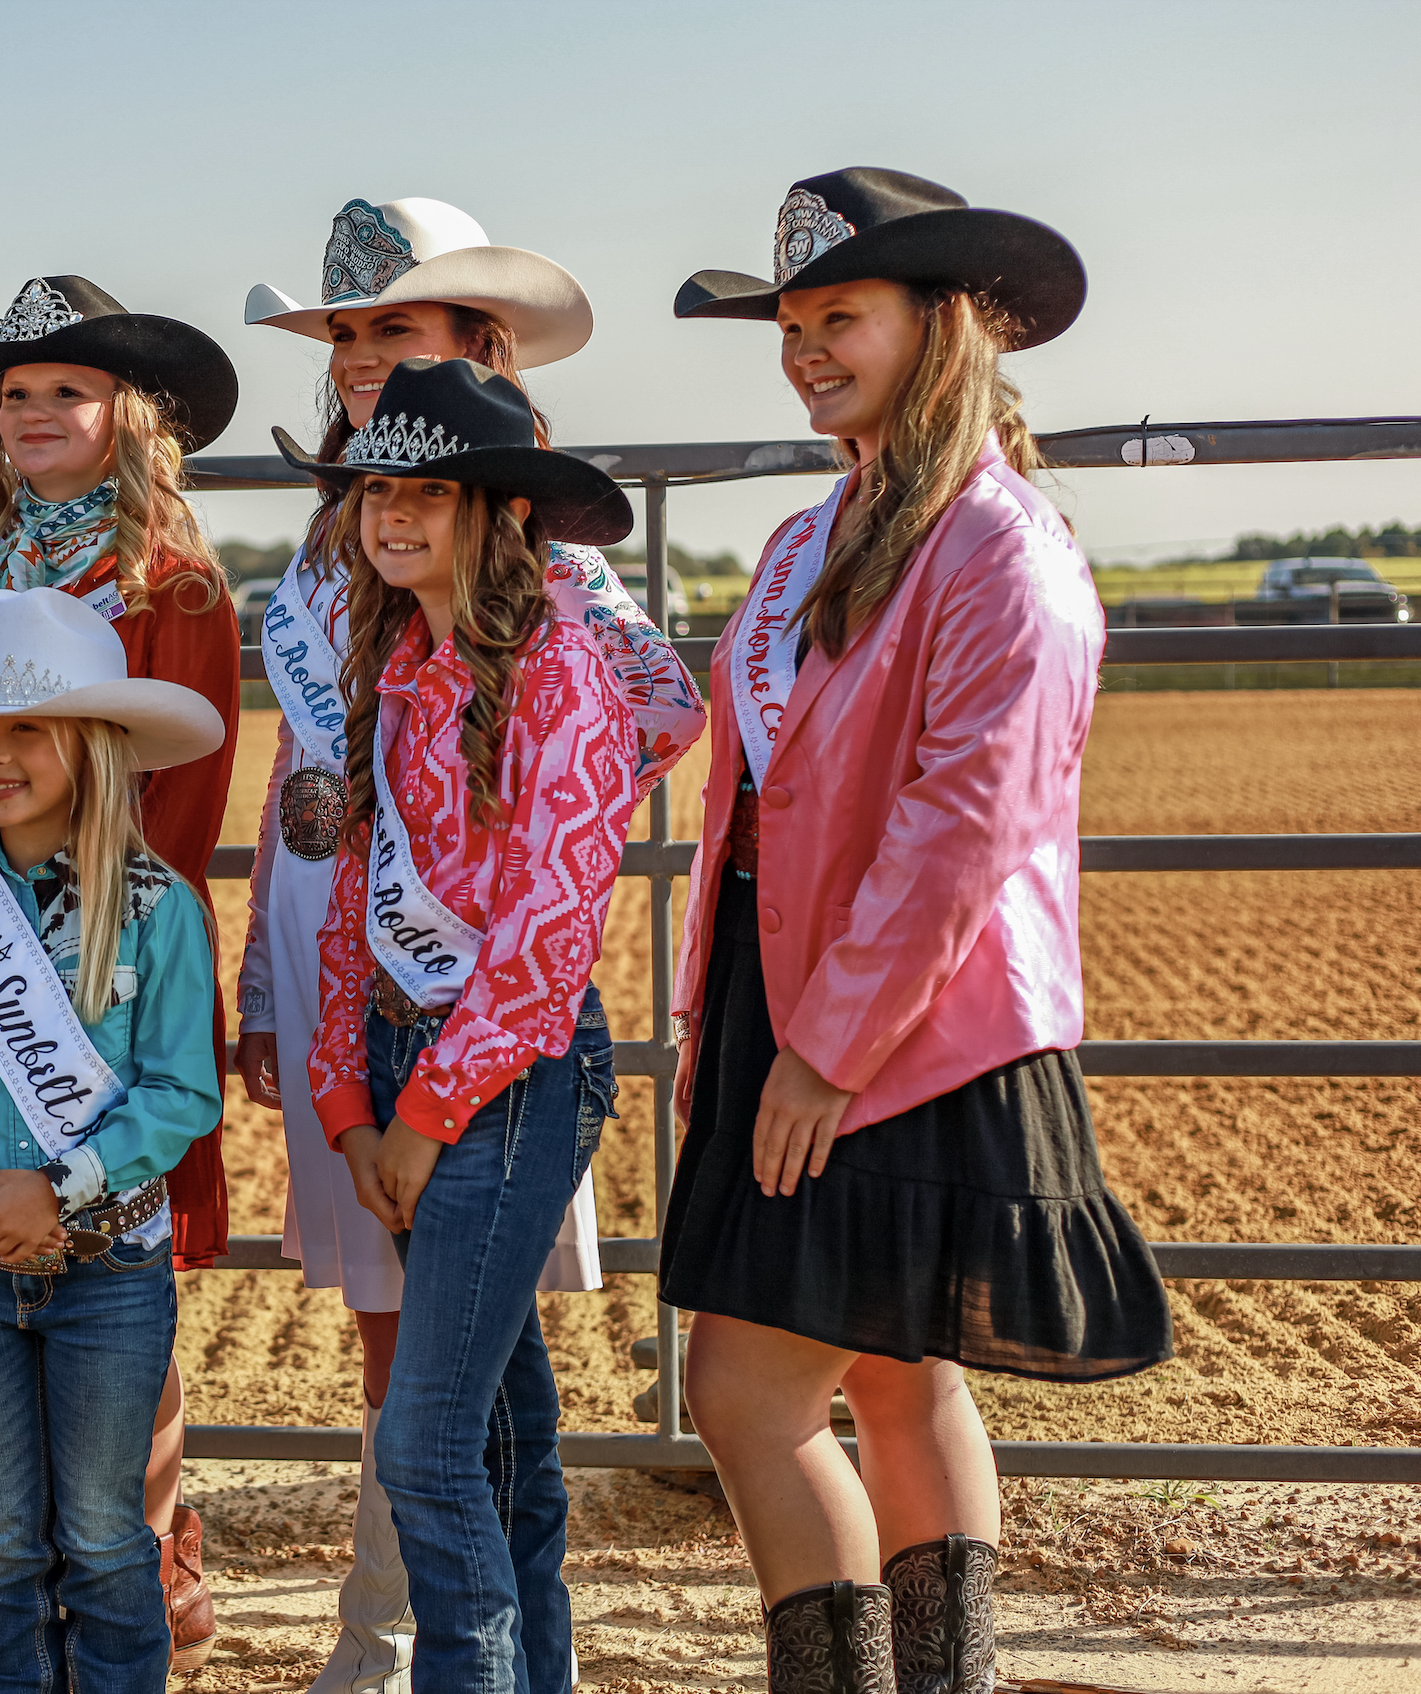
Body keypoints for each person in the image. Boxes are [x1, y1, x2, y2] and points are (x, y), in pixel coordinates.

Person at [662, 168, 1172, 1693]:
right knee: (891, 1370)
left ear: (937, 328)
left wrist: (821, 1049)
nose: (806, 346)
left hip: (898, 1024)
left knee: (744, 1398)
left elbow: (967, 821)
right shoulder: (812, 533)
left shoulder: (999, 547)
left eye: (841, 317)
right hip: (800, 995)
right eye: (793, 323)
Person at [237, 196, 706, 1693]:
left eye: (396, 330)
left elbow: (645, 731)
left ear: (474, 350)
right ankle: (472, 1656)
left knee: (435, 1400)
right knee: (483, 1408)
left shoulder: (553, 589)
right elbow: (310, 795)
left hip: (483, 1015)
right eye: (349, 338)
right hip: (359, 992)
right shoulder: (343, 573)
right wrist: (307, 1022)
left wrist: (490, 850)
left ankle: (410, 1649)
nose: (363, 359)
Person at [0, 275, 242, 1662]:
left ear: (128, 416)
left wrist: (85, 926)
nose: (33, 412)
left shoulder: (180, 581)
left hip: (110, 973)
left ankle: (144, 1555)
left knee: (117, 1300)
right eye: (13, 392)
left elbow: (187, 794)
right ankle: (28, 1582)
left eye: (66, 391)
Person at [293, 356, 641, 1693]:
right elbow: (342, 910)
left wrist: (422, 1121)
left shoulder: (563, 673)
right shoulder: (384, 663)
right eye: (377, 483)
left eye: (426, 489)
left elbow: (545, 939)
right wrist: (344, 1104)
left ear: (494, 511)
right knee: (499, 1440)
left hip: (503, 1074)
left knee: (428, 1444)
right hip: (397, 1065)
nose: (391, 511)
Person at [0, 587, 229, 1693]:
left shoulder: (159, 909)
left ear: (96, 745)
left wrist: (56, 1187)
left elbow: (180, 1092)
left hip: (109, 1262)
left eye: (26, 726)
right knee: (9, 1534)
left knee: (110, 1530)